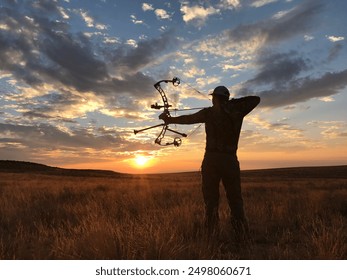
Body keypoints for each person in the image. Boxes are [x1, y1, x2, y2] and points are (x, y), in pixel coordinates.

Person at [159, 86, 260, 238]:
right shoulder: (237, 110)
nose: (212, 100)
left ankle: (213, 234)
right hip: (230, 160)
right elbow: (255, 100)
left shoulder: (210, 113)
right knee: (234, 199)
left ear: (216, 98)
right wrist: (231, 104)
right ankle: (240, 234)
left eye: (214, 98)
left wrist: (169, 119)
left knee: (211, 200)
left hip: (212, 160)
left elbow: (189, 119)